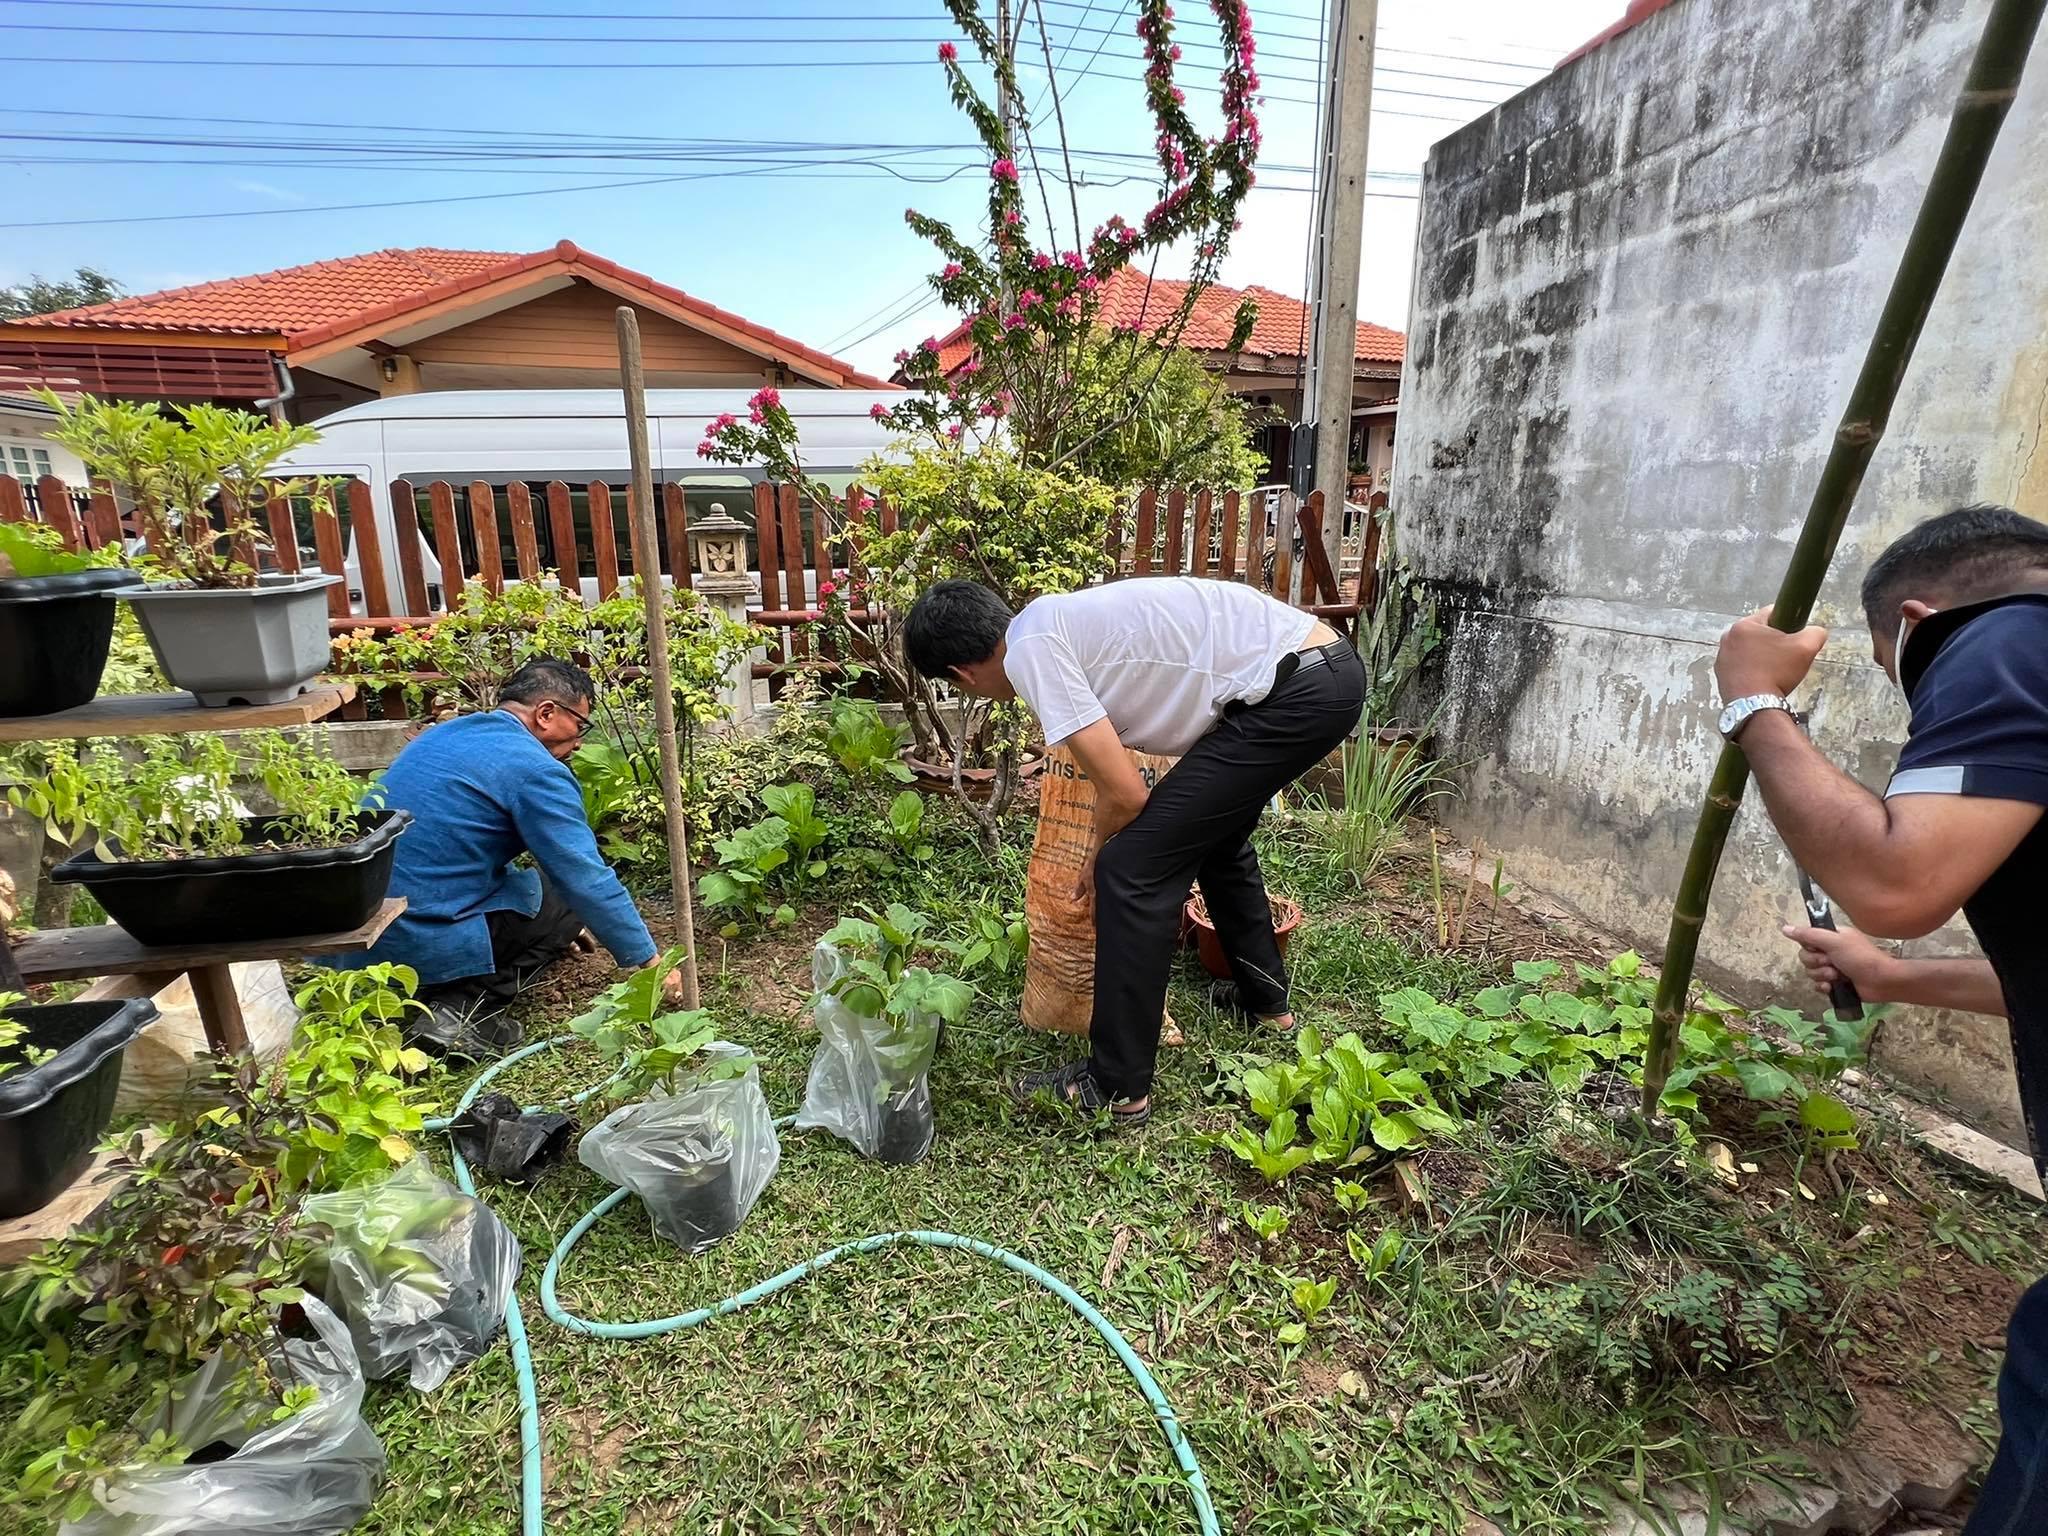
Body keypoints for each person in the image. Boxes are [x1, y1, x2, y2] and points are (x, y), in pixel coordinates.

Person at [1714, 503, 2048, 1536]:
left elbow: (1893, 882)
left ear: (1914, 619)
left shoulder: (1999, 635)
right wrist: (1890, 977)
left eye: (1887, 664)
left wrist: (1753, 701)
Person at [903, 575, 1365, 1127]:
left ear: (961, 674)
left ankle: (1117, 1085)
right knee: (1217, 840)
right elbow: (1113, 783)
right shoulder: (1046, 624)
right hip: (1318, 671)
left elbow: (1126, 793)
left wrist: (1100, 860)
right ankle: (1267, 1007)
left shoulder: (1031, 650)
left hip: (1296, 690)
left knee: (1129, 870)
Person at [343, 656, 680, 1056]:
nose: (580, 740)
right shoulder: (536, 770)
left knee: (533, 892)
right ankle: (462, 1012)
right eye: (579, 725)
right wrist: (650, 962)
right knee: (559, 901)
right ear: (546, 713)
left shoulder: (444, 736)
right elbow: (583, 877)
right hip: (412, 938)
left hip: (354, 936)